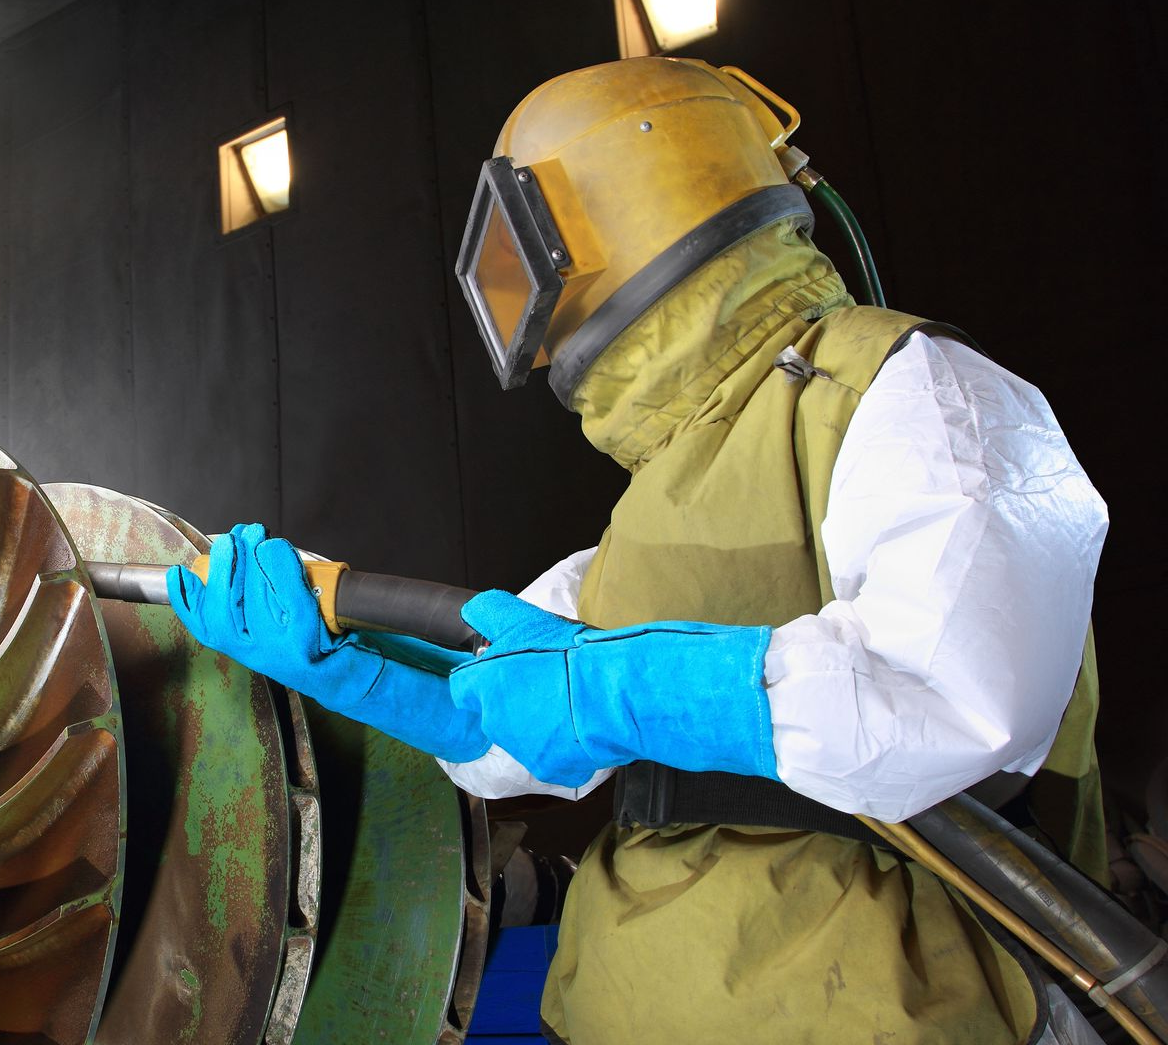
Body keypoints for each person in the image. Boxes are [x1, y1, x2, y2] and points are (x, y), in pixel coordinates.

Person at [168, 57, 1108, 1044]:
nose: (529, 312)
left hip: (881, 1003)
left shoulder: (913, 389)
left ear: (628, 200)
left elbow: (960, 698)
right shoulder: (649, 514)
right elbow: (500, 740)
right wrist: (349, 664)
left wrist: (619, 691)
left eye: (526, 255)